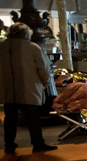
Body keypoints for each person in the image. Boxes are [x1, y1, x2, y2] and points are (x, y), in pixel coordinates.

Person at [0, 23, 57, 153]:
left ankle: (9, 145)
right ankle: (38, 143)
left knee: (10, 118)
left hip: (8, 88)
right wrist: (45, 83)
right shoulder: (32, 48)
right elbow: (43, 68)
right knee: (33, 118)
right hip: (29, 87)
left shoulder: (1, 46)